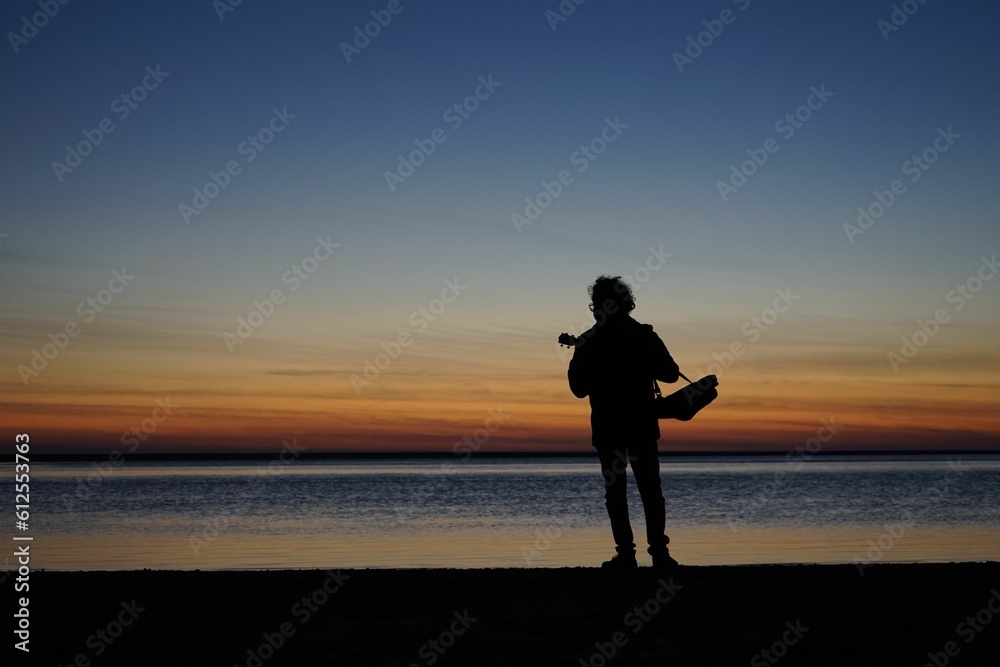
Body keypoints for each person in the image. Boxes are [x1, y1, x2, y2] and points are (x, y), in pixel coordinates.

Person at [567, 275, 680, 571]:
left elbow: (578, 389)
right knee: (650, 490)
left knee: (617, 492)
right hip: (640, 423)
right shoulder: (644, 335)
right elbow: (670, 373)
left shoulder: (591, 341)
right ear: (626, 304)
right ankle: (659, 555)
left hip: (608, 427)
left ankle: (627, 556)